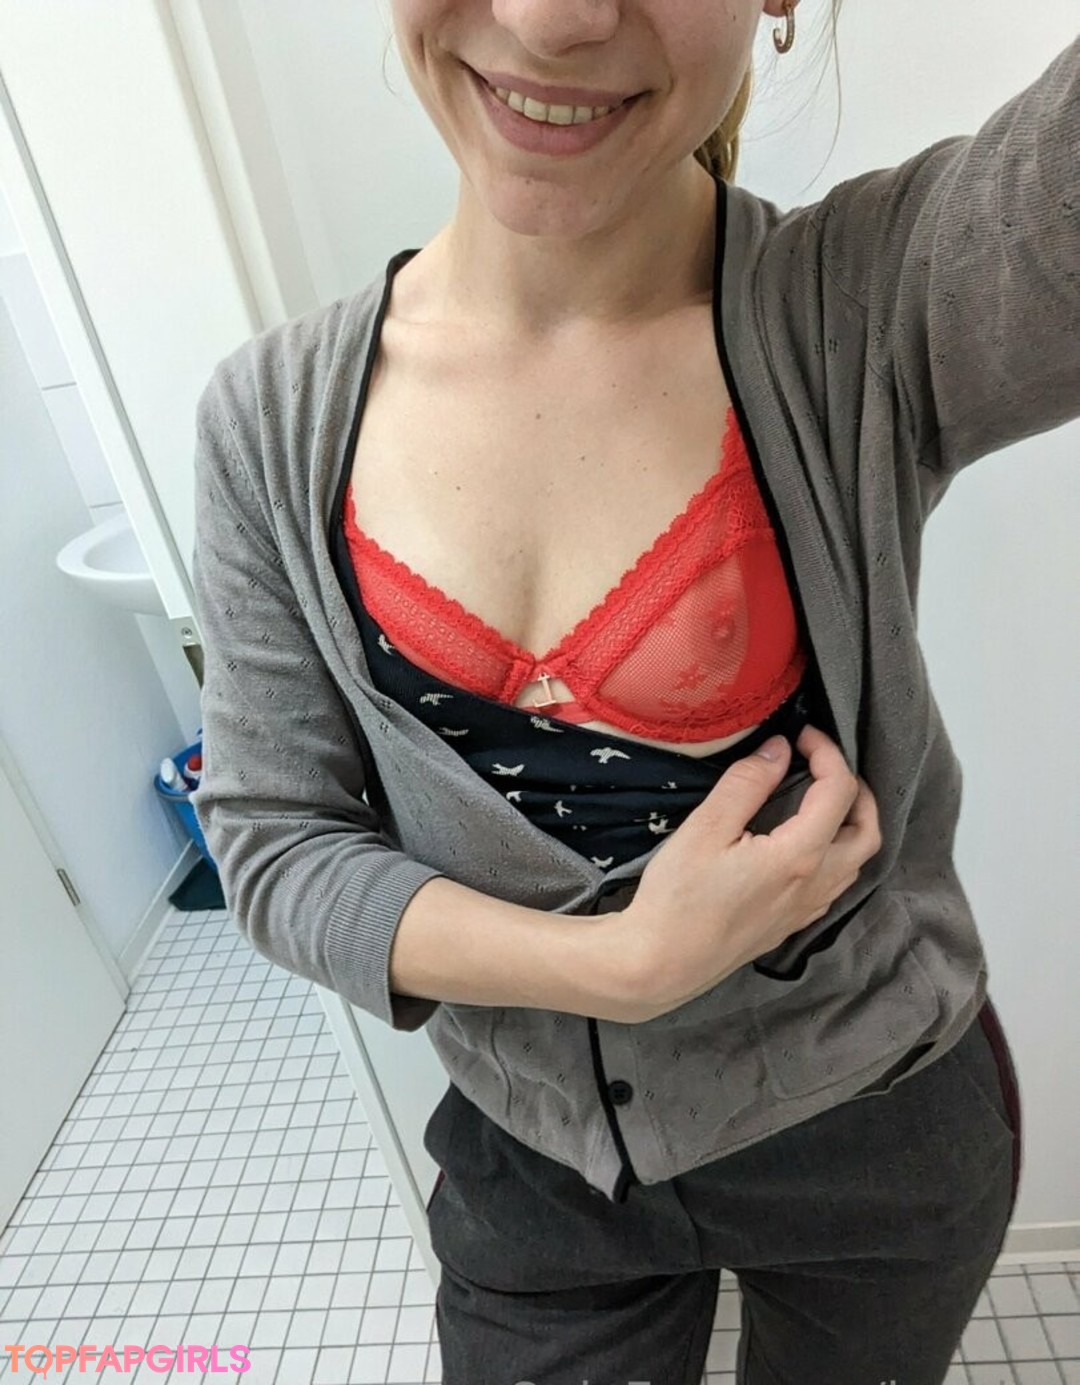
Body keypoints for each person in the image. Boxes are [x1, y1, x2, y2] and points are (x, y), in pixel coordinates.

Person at [190, 4, 1079, 1381]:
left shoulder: (868, 306)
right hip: (536, 1170)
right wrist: (621, 964)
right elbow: (275, 839)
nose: (555, 19)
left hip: (879, 1127)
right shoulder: (269, 425)